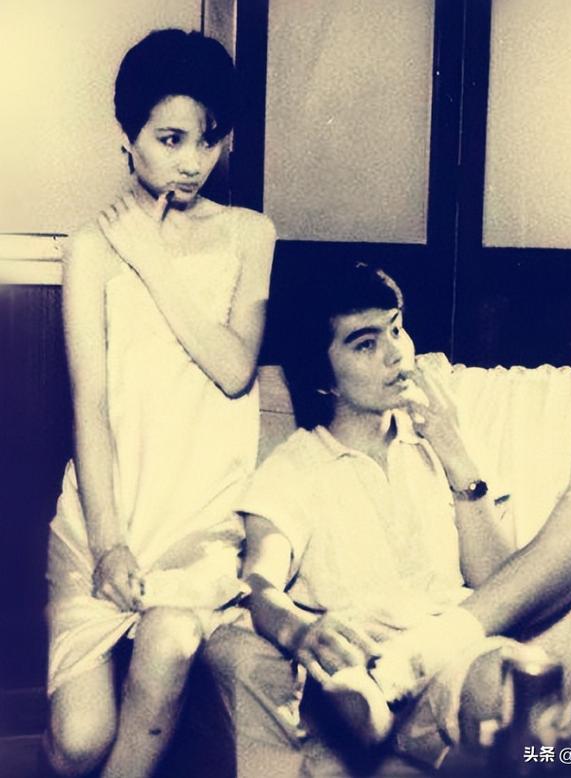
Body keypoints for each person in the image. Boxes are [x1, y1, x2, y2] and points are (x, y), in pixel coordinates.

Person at [204, 262, 571, 776]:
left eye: (396, 329)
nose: (396, 354)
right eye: (366, 344)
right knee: (519, 692)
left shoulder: (435, 439)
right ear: (324, 380)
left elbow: (498, 583)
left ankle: (426, 661)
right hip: (393, 676)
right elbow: (258, 584)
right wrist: (299, 631)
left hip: (465, 644)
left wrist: (458, 458)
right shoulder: (295, 468)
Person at [44, 29, 276, 777]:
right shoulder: (89, 247)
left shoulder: (249, 234)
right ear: (128, 136)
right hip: (105, 516)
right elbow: (90, 405)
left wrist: (150, 257)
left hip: (198, 526)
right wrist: (108, 544)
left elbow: (234, 369)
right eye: (170, 139)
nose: (192, 161)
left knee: (170, 640)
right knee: (78, 743)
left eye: (209, 140)